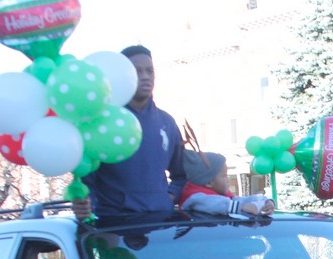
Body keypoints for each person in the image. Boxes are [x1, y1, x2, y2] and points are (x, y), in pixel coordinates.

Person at [72, 45, 186, 219]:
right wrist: (87, 209)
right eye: (137, 71)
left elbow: (181, 175)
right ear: (123, 75)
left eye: (150, 71)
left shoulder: (167, 122)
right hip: (115, 228)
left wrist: (168, 197)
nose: (145, 77)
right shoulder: (102, 122)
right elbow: (88, 180)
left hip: (161, 226)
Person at [178, 151, 274, 215]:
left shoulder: (224, 196)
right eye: (224, 176)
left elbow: (239, 199)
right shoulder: (195, 198)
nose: (228, 179)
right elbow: (215, 204)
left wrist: (265, 201)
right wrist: (241, 207)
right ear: (209, 183)